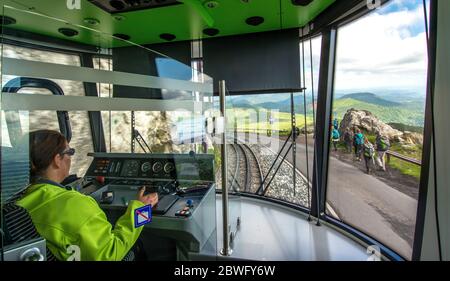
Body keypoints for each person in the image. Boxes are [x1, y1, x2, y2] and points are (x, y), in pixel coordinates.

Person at [16, 130, 158, 261]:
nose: (71, 157)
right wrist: (141, 209)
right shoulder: (73, 204)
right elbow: (110, 253)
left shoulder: (17, 202)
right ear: (57, 160)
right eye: (70, 152)